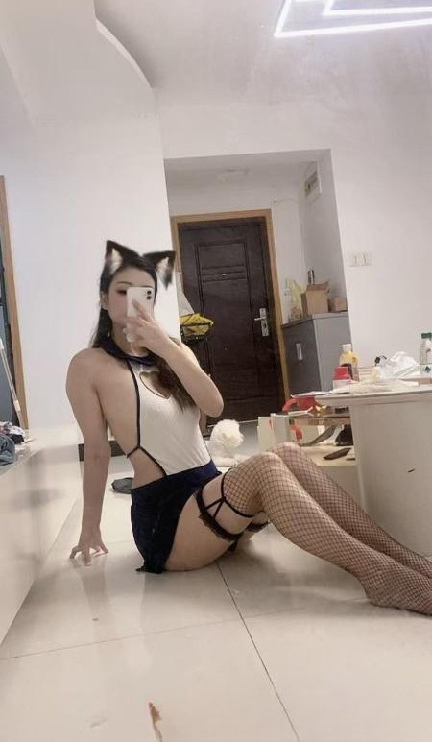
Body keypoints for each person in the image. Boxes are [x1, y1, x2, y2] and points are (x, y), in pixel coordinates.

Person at [66, 240, 432, 616]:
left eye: (146, 293)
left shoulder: (173, 352)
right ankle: (379, 575)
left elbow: (213, 406)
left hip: (213, 501)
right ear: (104, 300)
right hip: (168, 522)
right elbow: (96, 452)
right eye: (122, 291)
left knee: (287, 453)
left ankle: (405, 559)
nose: (134, 302)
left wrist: (167, 348)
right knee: (265, 466)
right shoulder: (88, 366)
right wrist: (90, 526)